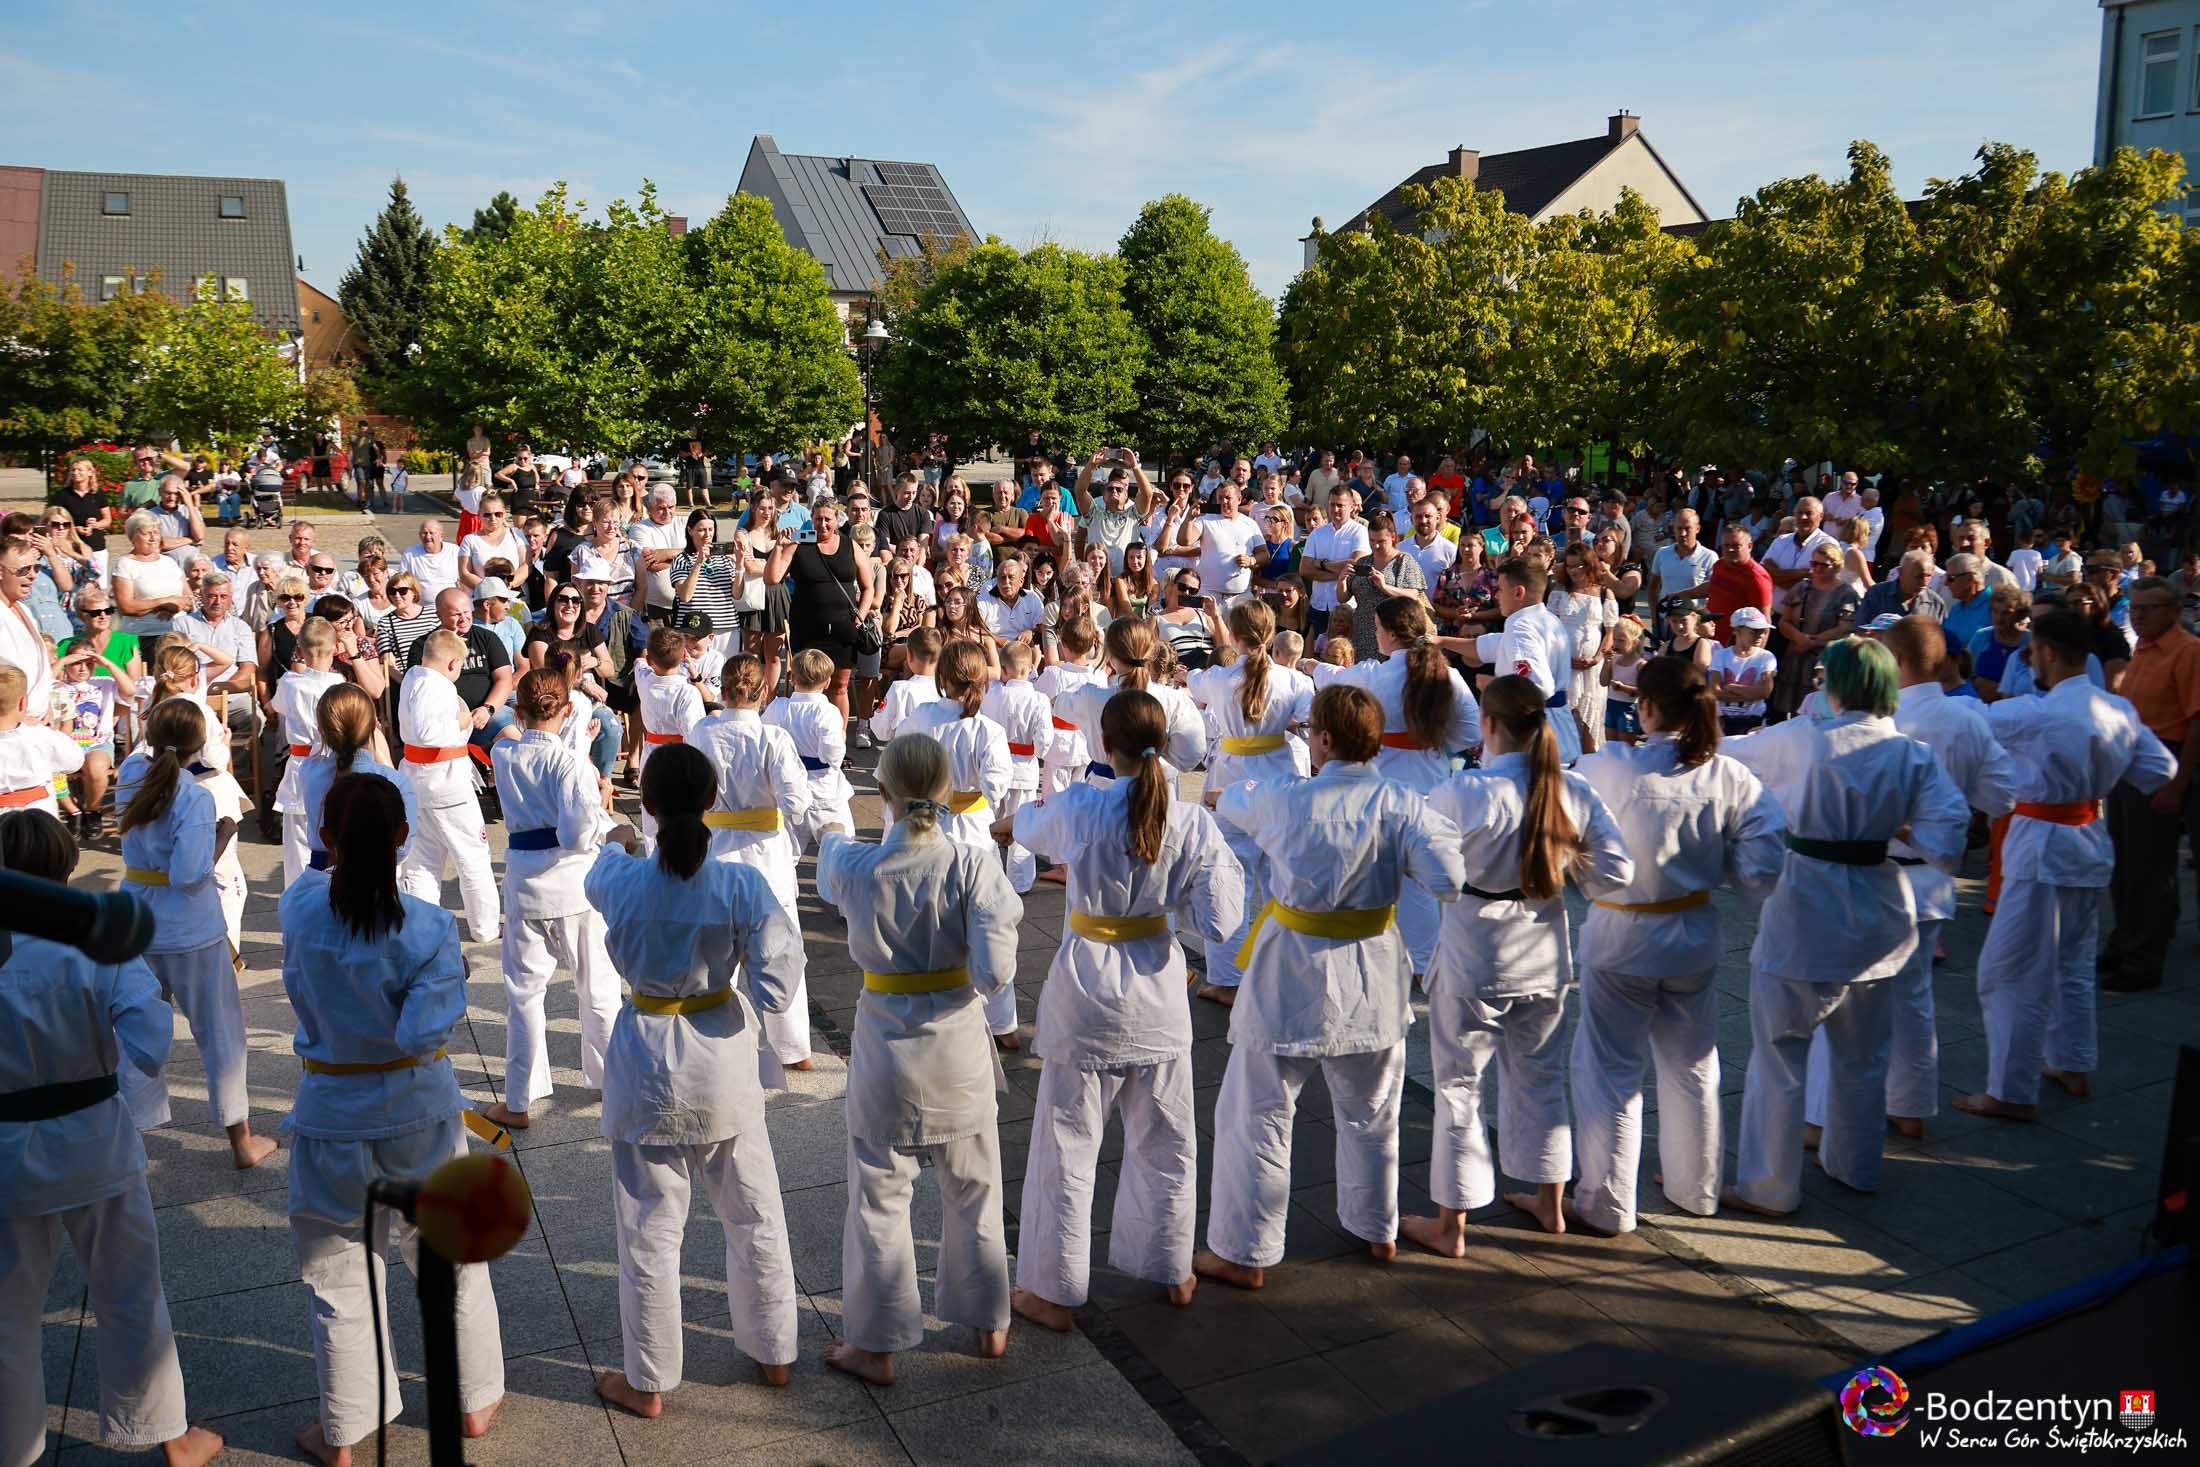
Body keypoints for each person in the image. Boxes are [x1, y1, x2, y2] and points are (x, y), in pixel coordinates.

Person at [1195, 685, 1466, 1289]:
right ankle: (1377, 1229)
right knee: (1372, 1111)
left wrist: (1220, 792)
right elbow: (1449, 877)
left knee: (1259, 1113)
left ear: (1320, 738)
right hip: (1372, 970)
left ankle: (1245, 1253)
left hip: (1292, 972)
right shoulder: (1402, 804)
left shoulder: (1287, 799)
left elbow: (1231, 798)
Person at [278, 774, 504, 1466]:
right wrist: (451, 973)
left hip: (331, 1111)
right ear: (405, 837)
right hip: (418, 1113)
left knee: (340, 1276)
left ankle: (346, 1432)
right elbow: (418, 1029)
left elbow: (327, 888)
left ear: (325, 837)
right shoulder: (429, 928)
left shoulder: (297, 907)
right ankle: (472, 1398)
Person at [1005, 690, 1244, 1327]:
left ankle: (1052, 1291)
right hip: (1159, 991)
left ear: (1103, 746)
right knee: (1167, 1137)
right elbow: (1222, 921)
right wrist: (1176, 909)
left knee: (1068, 1142)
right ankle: (1172, 1267)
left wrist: (1015, 823)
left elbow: (1026, 829)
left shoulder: (1082, 806)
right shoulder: (1189, 819)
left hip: (1087, 992)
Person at [579, 742, 803, 1415]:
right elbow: (775, 980)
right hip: (722, 1058)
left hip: (646, 1055)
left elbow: (601, 867)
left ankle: (648, 1380)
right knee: (755, 1210)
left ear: (647, 804)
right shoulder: (740, 883)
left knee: (649, 1227)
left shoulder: (620, 882)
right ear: (714, 801)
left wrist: (620, 834)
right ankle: (775, 1351)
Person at [0, 810, 226, 1467]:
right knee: (129, 1290)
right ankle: (166, 1436)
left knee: (9, 1311)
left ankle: (13, 1447)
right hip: (93, 1139)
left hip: (7, 1147)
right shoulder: (98, 942)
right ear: (65, 869)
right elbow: (150, 1046)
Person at [1721, 638, 1970, 1213]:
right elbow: (1949, 840)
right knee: (1864, 1056)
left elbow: (1728, 753)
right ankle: (1856, 1166)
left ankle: (1768, 1187)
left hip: (1805, 908)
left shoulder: (1800, 738)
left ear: (1834, 685)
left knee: (1781, 1054)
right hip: (1880, 912)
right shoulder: (1912, 753)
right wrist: (1902, 830)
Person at [817, 732, 1022, 1384]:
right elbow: (996, 973)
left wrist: (832, 825)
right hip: (957, 1046)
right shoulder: (973, 864)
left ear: (884, 794)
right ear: (944, 792)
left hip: (886, 1052)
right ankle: (990, 1320)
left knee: (879, 1197)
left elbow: (828, 856)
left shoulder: (856, 866)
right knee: (975, 1186)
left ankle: (875, 1345)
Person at [1404, 677, 1631, 1251]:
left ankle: (1451, 1225)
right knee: (1540, 1078)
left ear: (1488, 724)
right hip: (1545, 951)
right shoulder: (1572, 791)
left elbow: (1421, 861)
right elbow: (1617, 874)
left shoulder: (1467, 792)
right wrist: (1571, 870)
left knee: (1460, 1084)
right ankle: (1551, 1203)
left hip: (1473, 954)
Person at [1569, 657, 1785, 1235]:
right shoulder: (1727, 775)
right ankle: (1697, 1190)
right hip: (1691, 936)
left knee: (1612, 1070)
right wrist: (1740, 884)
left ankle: (1607, 1203)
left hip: (1619, 936)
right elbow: (1765, 858)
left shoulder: (1603, 769)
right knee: (1693, 1067)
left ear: (1645, 707)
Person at [1801, 617, 2016, 1142]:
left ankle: (1822, 1117)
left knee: (1840, 999)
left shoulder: (1864, 716)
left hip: (1866, 872)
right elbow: (2004, 797)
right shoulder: (1966, 720)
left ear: (1892, 662)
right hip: (1928, 882)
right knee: (1913, 996)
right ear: (1943, 663)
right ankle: (1909, 1105)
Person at [1956, 608, 2177, 1120]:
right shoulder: (2118, 709)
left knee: (2010, 969)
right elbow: (2161, 773)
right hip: (2089, 836)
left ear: (2049, 652)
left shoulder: (2038, 712)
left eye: (2032, 649)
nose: (2029, 657)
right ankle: (2071, 1063)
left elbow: (1970, 725)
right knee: (2072, 962)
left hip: (2042, 844)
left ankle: (2010, 1091)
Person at [115, 700, 276, 1168]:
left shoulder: (130, 778)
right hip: (190, 928)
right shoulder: (194, 797)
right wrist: (223, 835)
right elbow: (188, 875)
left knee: (134, 1025)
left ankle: (133, 1134)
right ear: (200, 744)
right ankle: (241, 1140)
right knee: (220, 1032)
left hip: (137, 922)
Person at [477, 669, 623, 1133]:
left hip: (525, 881)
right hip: (574, 882)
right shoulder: (572, 764)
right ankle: (613, 1082)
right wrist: (600, 800)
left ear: (518, 712)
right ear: (566, 711)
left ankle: (519, 1099)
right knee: (597, 986)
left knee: (524, 993)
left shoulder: (504, 755)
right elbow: (579, 834)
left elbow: (511, 739)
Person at [1327, 598, 1479, 976]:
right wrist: (1435, 741)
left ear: (1392, 633)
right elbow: (1472, 731)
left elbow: (1333, 683)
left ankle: (1419, 959)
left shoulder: (1376, 676)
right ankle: (1426, 956)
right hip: (1433, 780)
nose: (1375, 634)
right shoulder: (1447, 674)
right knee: (1428, 872)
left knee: (1394, 876)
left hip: (1387, 786)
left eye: (1378, 627)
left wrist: (1314, 667)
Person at [1186, 600, 1313, 1006]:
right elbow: (1311, 721)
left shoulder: (1221, 678)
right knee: (1280, 883)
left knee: (1228, 881)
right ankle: (1283, 967)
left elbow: (1194, 683)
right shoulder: (1295, 682)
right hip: (1279, 780)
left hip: (1232, 785)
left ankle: (1227, 978)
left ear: (1237, 638)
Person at [690, 654, 814, 1070]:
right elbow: (797, 802)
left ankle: (712, 1039)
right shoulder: (773, 739)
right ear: (763, 693)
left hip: (717, 852)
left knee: (714, 952)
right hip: (766, 857)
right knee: (778, 949)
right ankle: (793, 1048)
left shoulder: (702, 732)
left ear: (722, 691)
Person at [903, 642, 1017, 1044]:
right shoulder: (988, 729)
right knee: (988, 923)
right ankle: (1003, 1023)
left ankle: (937, 1010)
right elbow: (998, 785)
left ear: (942, 678)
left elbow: (898, 763)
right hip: (974, 833)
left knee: (930, 920)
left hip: (927, 828)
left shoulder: (923, 717)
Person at [2098, 577, 2200, 992]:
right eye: (2135, 607)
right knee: (2125, 859)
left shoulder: (2188, 651)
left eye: (2149, 608)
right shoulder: (2141, 647)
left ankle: (2143, 957)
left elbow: (2196, 721)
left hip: (2164, 761)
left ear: (2174, 611)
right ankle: (2126, 940)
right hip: (2131, 760)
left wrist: (2178, 784)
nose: (2138, 615)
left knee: (2150, 864)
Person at [395, 629, 502, 943]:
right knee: (472, 855)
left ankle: (423, 926)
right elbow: (431, 733)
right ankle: (484, 927)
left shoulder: (413, 678)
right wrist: (463, 719)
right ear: (454, 664)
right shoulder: (436, 687)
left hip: (418, 778)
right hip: (446, 780)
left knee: (424, 858)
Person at [1453, 557, 1581, 763]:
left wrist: (1493, 686)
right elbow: (1492, 646)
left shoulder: (1521, 626)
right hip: (1557, 729)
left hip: (1527, 737)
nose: (1497, 595)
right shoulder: (1547, 620)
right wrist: (1440, 641)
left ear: (1518, 592)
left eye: (1501, 589)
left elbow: (1537, 687)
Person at [1055, 618, 1205, 785]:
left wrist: (1091, 668)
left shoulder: (1091, 697)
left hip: (1105, 790)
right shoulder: (1175, 699)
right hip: (1159, 790)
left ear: (1109, 654)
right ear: (1150, 653)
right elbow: (1190, 756)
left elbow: (1058, 704)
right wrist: (1154, 749)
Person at [271, 619, 347, 886]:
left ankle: (298, 899)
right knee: (334, 836)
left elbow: (277, 708)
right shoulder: (339, 684)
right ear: (336, 649)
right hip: (331, 767)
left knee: (297, 847)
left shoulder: (289, 682)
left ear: (299, 650)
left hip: (301, 766)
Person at [763, 649, 854, 853]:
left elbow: (763, 743)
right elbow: (833, 756)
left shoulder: (777, 708)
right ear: (828, 682)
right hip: (824, 791)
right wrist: (843, 737)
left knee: (788, 854)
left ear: (791, 678)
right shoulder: (828, 712)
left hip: (788, 788)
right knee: (842, 850)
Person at [981, 641, 1049, 892]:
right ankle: (1019, 882)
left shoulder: (994, 692)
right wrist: (1038, 753)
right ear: (1031, 668)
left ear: (1005, 670)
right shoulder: (1039, 699)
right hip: (1023, 769)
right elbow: (1044, 740)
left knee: (989, 822)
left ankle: (989, 876)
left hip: (993, 766)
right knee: (1021, 824)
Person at [1770, 543, 1861, 720]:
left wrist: (1812, 641)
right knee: (1782, 711)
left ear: (1837, 566)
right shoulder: (1801, 587)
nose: (1817, 569)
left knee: (1815, 712)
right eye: (1814, 564)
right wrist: (1799, 638)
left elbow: (1845, 628)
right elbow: (1784, 621)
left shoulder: (1846, 593)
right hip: (1795, 655)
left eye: (1823, 565)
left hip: (1825, 660)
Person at [0, 662, 85, 817]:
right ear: (23, 703)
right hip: (40, 820)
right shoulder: (40, 735)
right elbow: (74, 761)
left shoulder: (38, 734)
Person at [1710, 606, 1778, 735]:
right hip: (1721, 723)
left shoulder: (1767, 656)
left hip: (1754, 721)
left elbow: (1764, 693)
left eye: (1762, 631)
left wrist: (1730, 687)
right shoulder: (1720, 655)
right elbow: (1714, 692)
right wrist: (1751, 692)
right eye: (1753, 631)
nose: (1760, 635)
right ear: (1736, 631)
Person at [400, 519, 462, 602]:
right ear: (419, 535)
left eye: (432, 533)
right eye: (424, 533)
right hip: (421, 607)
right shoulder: (410, 553)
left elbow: (464, 579)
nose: (428, 537)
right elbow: (402, 580)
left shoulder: (454, 551)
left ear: (441, 535)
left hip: (450, 605)